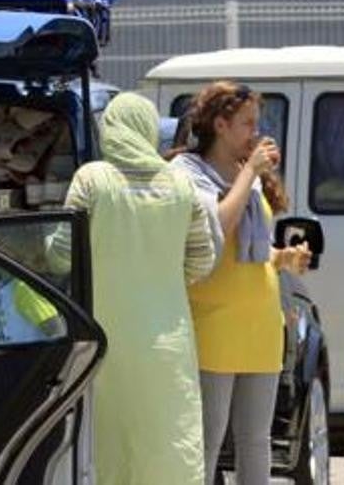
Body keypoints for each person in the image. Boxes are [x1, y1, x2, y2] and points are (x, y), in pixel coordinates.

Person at [56, 92, 216, 485]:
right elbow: (202, 260)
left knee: (109, 451)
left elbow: (61, 254)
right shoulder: (181, 184)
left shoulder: (92, 180)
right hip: (167, 348)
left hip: (104, 345)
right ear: (148, 131)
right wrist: (158, 276)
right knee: (168, 448)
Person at [168, 82, 310, 485]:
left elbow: (252, 248)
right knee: (208, 440)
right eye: (247, 123)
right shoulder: (190, 174)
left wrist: (283, 257)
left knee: (255, 441)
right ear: (220, 124)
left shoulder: (247, 174)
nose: (255, 132)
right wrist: (250, 173)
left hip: (260, 328)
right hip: (214, 326)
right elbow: (215, 226)